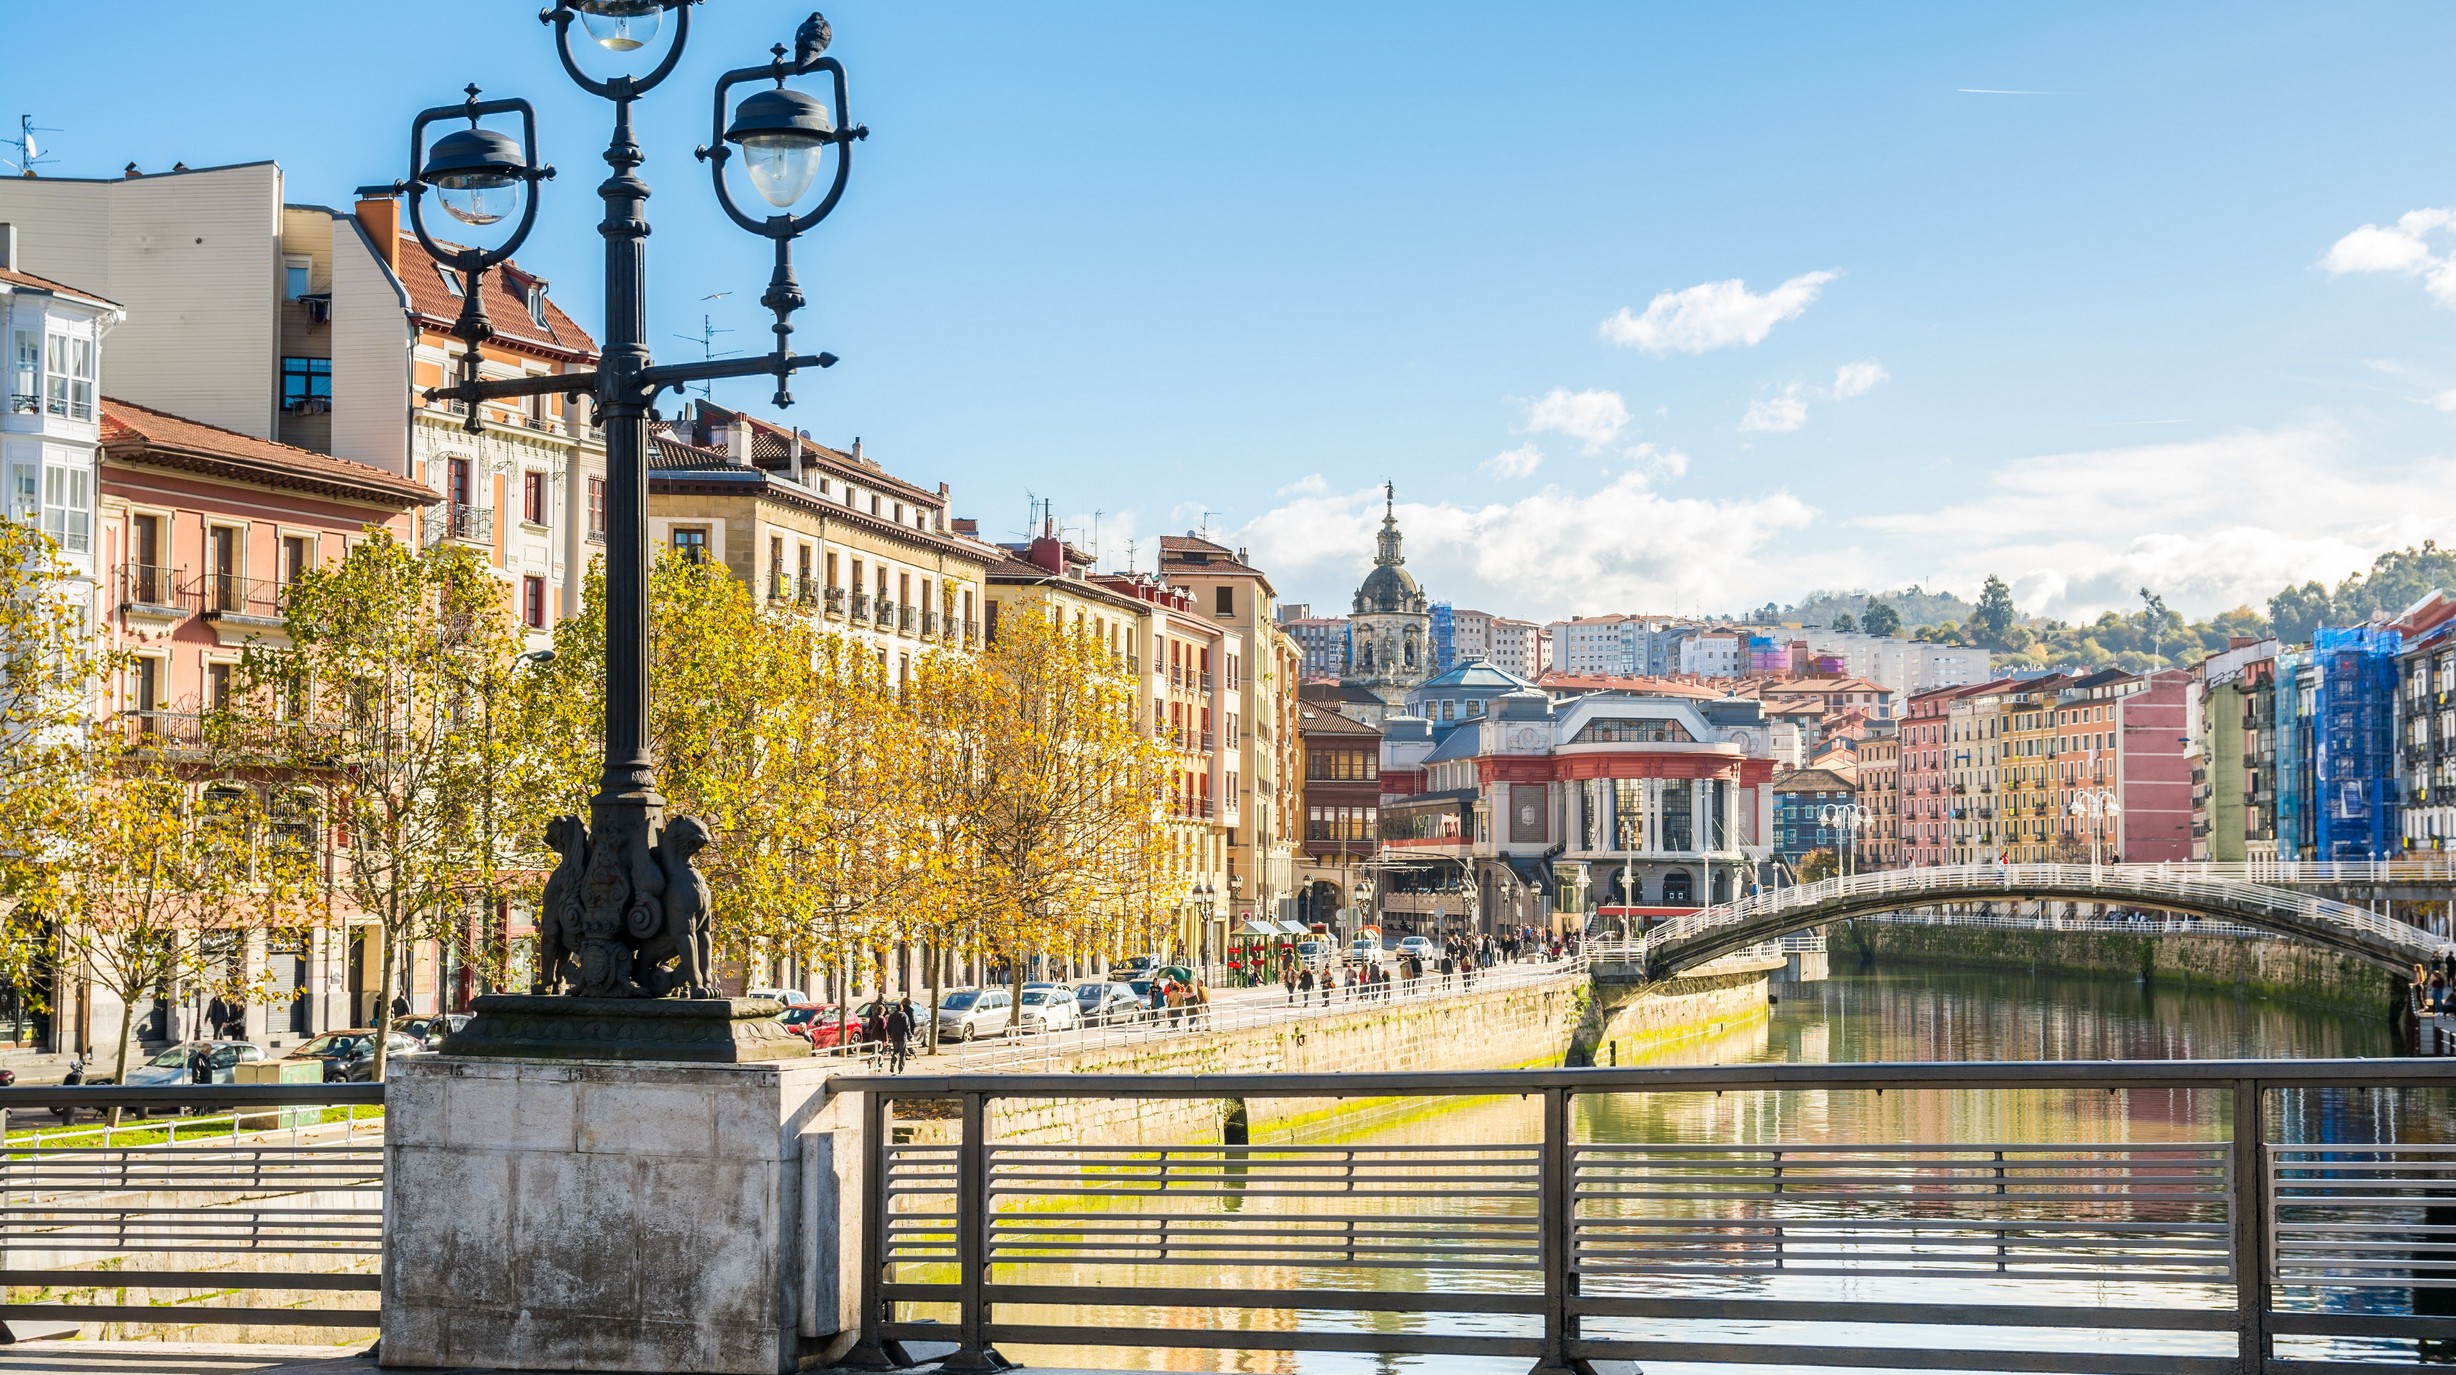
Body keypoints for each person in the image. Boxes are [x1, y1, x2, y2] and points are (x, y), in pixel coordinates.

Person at [885, 997, 914, 1072]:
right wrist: (910, 1036)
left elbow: (888, 1027)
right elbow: (907, 1027)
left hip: (894, 1036)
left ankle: (892, 1063)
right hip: (902, 1036)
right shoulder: (904, 1016)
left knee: (895, 1051)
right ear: (902, 1009)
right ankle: (900, 1069)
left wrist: (890, 1035)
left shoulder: (891, 1016)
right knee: (902, 1053)